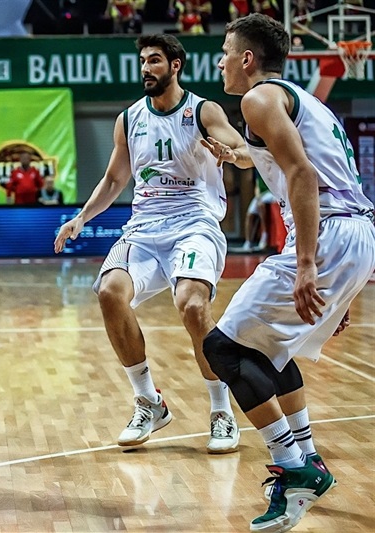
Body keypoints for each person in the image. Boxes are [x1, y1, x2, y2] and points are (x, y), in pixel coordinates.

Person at [202, 14, 375, 532]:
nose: (221, 62)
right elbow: (281, 160)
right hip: (355, 235)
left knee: (223, 349)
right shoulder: (303, 99)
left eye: (226, 53)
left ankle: (295, 468)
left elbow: (302, 171)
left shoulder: (257, 99)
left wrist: (306, 265)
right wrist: (235, 155)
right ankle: (308, 458)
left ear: (247, 58)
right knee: (265, 351)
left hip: (327, 235)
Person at [54, 34, 253, 454]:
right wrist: (81, 217)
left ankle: (221, 410)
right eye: (143, 61)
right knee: (110, 292)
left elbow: (244, 149)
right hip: (144, 229)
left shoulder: (203, 111)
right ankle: (149, 401)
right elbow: (114, 179)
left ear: (176, 65)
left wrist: (231, 154)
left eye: (155, 60)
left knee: (192, 307)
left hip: (194, 224)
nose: (146, 68)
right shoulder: (129, 119)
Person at [233, 170, 277, 252]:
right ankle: (248, 242)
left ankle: (264, 236)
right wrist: (258, 196)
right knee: (250, 214)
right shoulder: (256, 170)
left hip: (272, 193)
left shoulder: (270, 167)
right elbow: (257, 185)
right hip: (261, 195)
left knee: (261, 206)